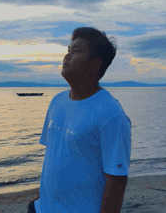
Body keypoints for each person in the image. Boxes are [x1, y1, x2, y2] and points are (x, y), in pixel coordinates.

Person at [28, 27, 131, 213]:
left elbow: (117, 181)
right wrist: (39, 199)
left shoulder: (111, 114)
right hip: (42, 208)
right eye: (68, 51)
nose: (66, 57)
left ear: (95, 64)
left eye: (76, 51)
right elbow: (53, 159)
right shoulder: (57, 101)